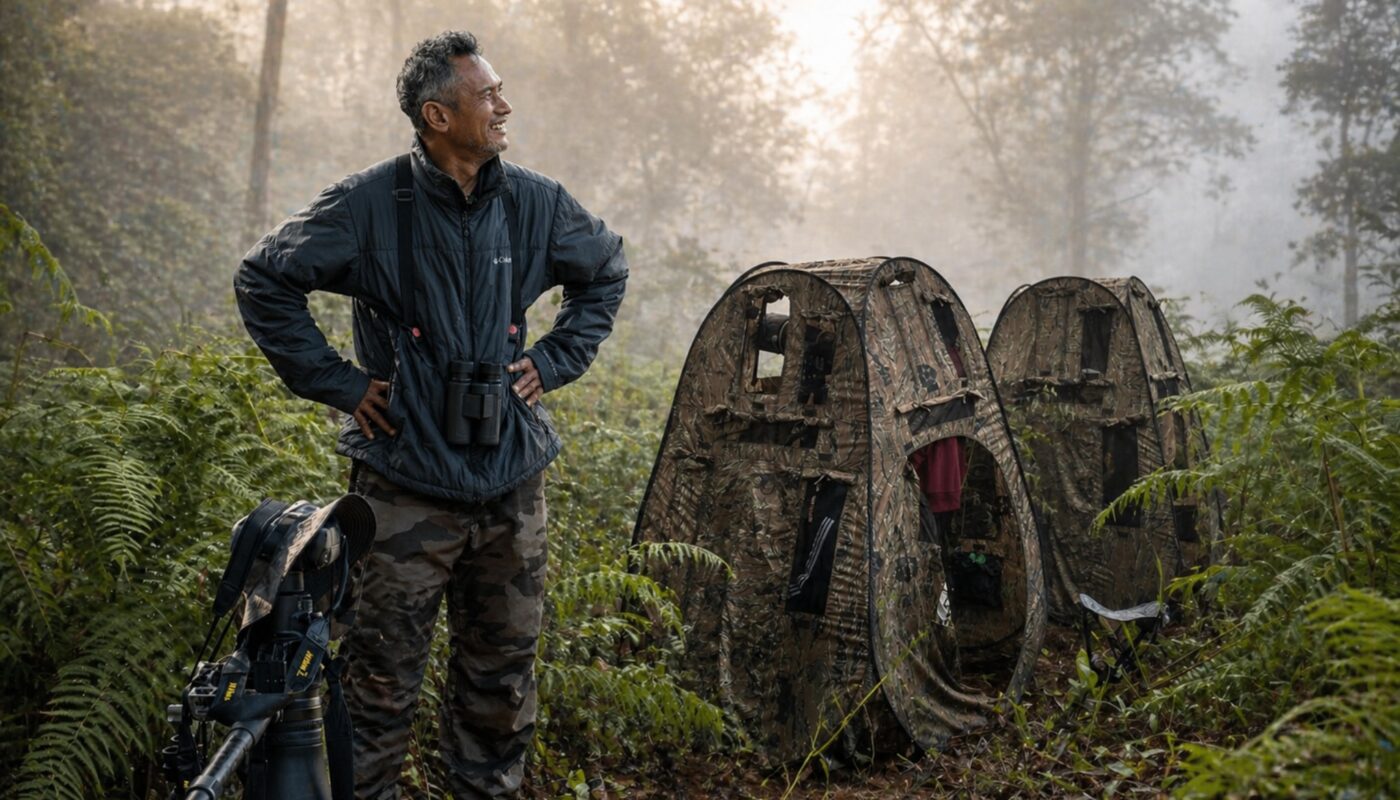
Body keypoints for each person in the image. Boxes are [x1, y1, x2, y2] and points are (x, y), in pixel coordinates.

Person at [234, 30, 627, 799]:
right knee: (376, 694)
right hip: (401, 488)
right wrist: (343, 385)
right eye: (487, 95)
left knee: (501, 694)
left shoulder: (538, 203)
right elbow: (263, 281)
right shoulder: (368, 205)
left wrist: (549, 362)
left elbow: (605, 271)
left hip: (512, 485)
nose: (504, 105)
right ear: (436, 115)